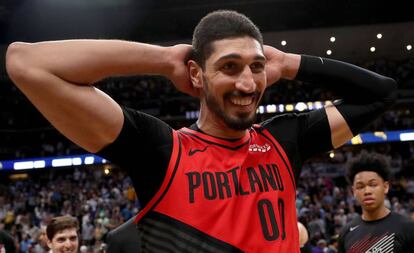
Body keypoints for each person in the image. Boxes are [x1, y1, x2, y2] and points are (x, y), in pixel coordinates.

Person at [5, 9, 397, 252]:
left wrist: (289, 62)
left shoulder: (283, 139)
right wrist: (162, 59)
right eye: (229, 67)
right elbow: (26, 62)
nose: (247, 84)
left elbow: (381, 94)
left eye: (256, 67)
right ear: (196, 73)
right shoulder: (160, 149)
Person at [338, 152, 414, 252]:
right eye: (360, 186)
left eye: (373, 185)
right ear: (354, 191)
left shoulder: (407, 228)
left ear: (385, 187)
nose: (367, 191)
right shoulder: (346, 233)